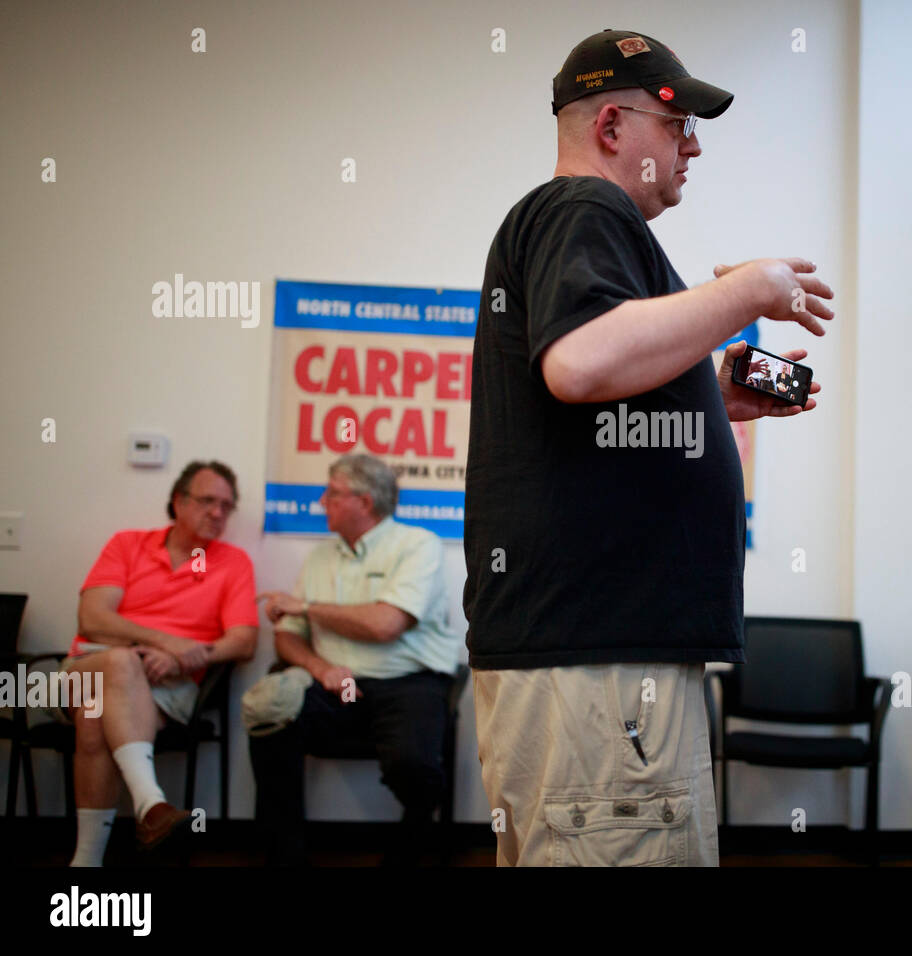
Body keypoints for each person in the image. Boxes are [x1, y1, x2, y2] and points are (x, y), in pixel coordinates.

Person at [464, 28, 834, 867]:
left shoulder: (570, 225)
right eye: (678, 126)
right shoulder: (584, 208)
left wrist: (706, 389)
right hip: (600, 663)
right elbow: (583, 359)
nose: (694, 145)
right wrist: (749, 289)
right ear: (610, 129)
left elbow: (599, 371)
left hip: (592, 661)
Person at [252, 454, 459, 866]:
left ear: (365, 502)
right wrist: (320, 668)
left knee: (414, 766)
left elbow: (386, 624)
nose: (321, 499)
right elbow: (287, 637)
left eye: (332, 492)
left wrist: (306, 606)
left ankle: (412, 847)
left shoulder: (418, 545)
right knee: (270, 721)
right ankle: (284, 857)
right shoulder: (320, 558)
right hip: (336, 682)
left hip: (407, 678)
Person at [59, 460, 258, 866]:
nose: (217, 513)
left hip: (167, 685)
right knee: (118, 664)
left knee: (93, 716)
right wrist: (162, 642)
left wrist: (183, 658)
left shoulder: (232, 562)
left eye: (226, 506)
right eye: (207, 501)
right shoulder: (127, 544)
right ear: (178, 501)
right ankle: (150, 805)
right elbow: (92, 618)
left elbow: (243, 641)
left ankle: (86, 862)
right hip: (90, 668)